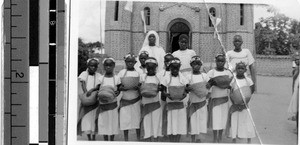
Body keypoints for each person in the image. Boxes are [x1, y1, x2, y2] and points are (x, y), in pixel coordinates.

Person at [226, 62, 255, 143]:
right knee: (235, 122)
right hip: (235, 106)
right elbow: (231, 93)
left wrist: (244, 103)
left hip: (245, 106)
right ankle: (234, 140)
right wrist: (234, 103)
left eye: (242, 68)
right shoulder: (233, 80)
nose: (240, 70)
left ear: (245, 70)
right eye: (238, 68)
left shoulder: (248, 80)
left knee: (247, 122)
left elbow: (250, 92)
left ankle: (249, 141)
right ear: (236, 70)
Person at [161, 57, 189, 142]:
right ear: (170, 67)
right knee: (171, 124)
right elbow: (163, 91)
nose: (175, 69)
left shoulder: (183, 78)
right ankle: (172, 141)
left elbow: (187, 89)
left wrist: (183, 95)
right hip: (170, 105)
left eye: (177, 67)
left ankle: (177, 141)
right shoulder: (166, 78)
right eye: (173, 67)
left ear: (179, 67)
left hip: (180, 104)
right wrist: (167, 94)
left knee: (179, 124)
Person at [207, 54, 233, 143]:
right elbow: (207, 85)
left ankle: (220, 137)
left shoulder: (228, 73)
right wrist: (211, 83)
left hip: (224, 99)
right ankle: (215, 138)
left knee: (222, 119)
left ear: (225, 62)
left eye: (222, 61)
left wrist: (225, 85)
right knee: (215, 119)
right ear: (216, 61)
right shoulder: (211, 72)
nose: (220, 63)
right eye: (218, 61)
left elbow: (231, 85)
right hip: (215, 99)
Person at [96, 57, 121, 141]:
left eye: (110, 65)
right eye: (106, 65)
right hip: (103, 105)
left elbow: (119, 89)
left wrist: (118, 92)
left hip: (113, 105)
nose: (108, 67)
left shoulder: (117, 78)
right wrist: (98, 93)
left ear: (114, 66)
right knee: (104, 123)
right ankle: (105, 140)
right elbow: (97, 89)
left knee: (113, 122)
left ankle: (112, 140)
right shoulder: (101, 78)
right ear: (104, 66)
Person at [186, 56, 210, 143]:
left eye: (198, 64)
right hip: (193, 103)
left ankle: (199, 140)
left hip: (202, 103)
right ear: (191, 65)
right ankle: (192, 140)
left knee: (201, 122)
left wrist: (206, 93)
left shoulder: (204, 76)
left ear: (201, 65)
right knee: (193, 122)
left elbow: (209, 87)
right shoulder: (188, 77)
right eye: (194, 64)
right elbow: (186, 89)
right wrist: (189, 88)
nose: (196, 66)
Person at [118, 53, 141, 141]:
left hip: (136, 100)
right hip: (125, 100)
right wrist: (122, 88)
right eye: (128, 62)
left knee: (137, 120)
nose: (130, 63)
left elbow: (142, 85)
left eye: (132, 62)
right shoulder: (121, 73)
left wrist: (138, 87)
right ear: (125, 62)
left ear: (135, 62)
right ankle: (126, 140)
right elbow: (118, 86)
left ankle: (138, 139)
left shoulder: (139, 72)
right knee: (125, 121)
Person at [140, 57, 163, 141]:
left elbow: (162, 89)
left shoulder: (158, 77)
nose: (150, 69)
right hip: (146, 104)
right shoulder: (142, 77)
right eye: (148, 67)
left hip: (156, 104)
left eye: (152, 67)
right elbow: (139, 88)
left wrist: (160, 88)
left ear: (155, 67)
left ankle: (156, 139)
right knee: (147, 123)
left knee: (156, 123)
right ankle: (148, 139)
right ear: (146, 67)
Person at [77, 58, 101, 140]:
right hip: (87, 98)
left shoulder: (98, 75)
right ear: (88, 66)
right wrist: (86, 93)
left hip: (95, 99)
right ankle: (89, 137)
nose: (93, 68)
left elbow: (98, 86)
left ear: (97, 67)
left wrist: (93, 92)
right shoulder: (84, 74)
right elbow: (83, 83)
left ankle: (93, 136)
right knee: (86, 119)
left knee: (94, 118)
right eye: (91, 66)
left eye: (95, 66)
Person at [288, 54, 299, 134]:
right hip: (297, 91)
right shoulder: (295, 70)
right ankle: (297, 128)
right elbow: (294, 82)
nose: (297, 61)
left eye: (298, 59)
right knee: (297, 110)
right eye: (296, 60)